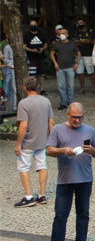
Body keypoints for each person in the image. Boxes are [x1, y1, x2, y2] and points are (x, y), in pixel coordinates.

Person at [39, 103, 95, 241]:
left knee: (83, 213)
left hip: (85, 179)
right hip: (65, 180)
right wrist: (63, 150)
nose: (77, 120)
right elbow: (48, 150)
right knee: (60, 215)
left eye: (79, 117)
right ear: (68, 115)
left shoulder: (90, 130)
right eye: (74, 117)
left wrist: (92, 151)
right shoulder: (58, 130)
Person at [14, 77, 54, 208]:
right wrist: (51, 140)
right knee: (42, 166)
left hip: (28, 142)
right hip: (42, 140)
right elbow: (51, 123)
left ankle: (28, 196)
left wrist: (18, 143)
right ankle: (42, 194)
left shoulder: (24, 103)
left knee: (24, 167)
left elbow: (23, 125)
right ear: (37, 87)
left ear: (25, 87)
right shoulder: (46, 101)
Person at [50, 29, 81, 110]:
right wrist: (55, 63)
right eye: (60, 34)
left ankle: (70, 102)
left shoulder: (72, 44)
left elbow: (78, 53)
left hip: (70, 67)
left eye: (63, 33)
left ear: (67, 34)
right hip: (60, 68)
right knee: (61, 86)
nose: (62, 35)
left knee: (70, 86)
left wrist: (77, 63)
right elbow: (52, 53)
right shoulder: (57, 44)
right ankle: (63, 103)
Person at [23, 19, 48, 94]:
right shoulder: (26, 34)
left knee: (41, 73)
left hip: (40, 56)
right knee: (32, 74)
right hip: (31, 57)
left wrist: (42, 49)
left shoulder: (41, 33)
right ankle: (33, 89)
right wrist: (32, 50)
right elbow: (24, 46)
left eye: (34, 25)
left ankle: (42, 89)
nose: (33, 26)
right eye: (31, 25)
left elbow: (46, 44)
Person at [73, 19, 95, 94]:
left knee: (91, 72)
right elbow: (75, 42)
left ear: (85, 23)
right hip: (79, 54)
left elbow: (90, 41)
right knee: (80, 72)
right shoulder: (76, 32)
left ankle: (94, 87)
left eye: (81, 22)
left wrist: (81, 42)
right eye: (78, 23)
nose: (80, 24)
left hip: (88, 54)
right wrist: (85, 42)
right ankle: (82, 88)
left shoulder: (90, 31)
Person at [2, 32, 16, 111]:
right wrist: (13, 63)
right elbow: (5, 60)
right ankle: (12, 106)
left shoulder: (20, 46)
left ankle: (15, 105)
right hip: (10, 69)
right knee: (8, 87)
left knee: (15, 89)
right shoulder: (7, 47)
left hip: (17, 68)